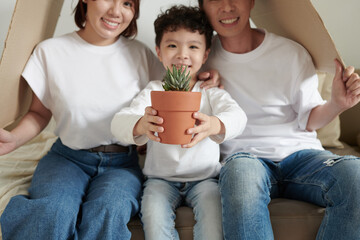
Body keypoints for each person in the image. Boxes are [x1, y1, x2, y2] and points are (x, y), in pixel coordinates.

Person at [0, 1, 219, 239]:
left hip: (122, 164)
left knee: (109, 212)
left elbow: (177, 88)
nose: (116, 11)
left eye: (126, 3)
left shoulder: (141, 54)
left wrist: (209, 76)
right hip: (67, 159)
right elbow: (39, 113)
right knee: (53, 211)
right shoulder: (50, 51)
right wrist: (13, 139)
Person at [198, 0, 360, 239]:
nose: (227, 7)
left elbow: (309, 120)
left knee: (355, 174)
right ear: (202, 7)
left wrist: (337, 103)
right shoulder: (199, 57)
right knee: (240, 175)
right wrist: (198, 82)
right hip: (245, 160)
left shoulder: (290, 52)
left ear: (251, 1)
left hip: (303, 156)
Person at [111, 5, 247, 240]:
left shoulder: (209, 92)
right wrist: (141, 125)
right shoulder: (154, 91)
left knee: (213, 225)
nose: (182, 54)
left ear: (205, 54)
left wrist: (214, 125)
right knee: (154, 224)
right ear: (159, 52)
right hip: (159, 180)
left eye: (193, 47)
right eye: (172, 45)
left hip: (205, 179)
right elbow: (119, 122)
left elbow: (238, 117)